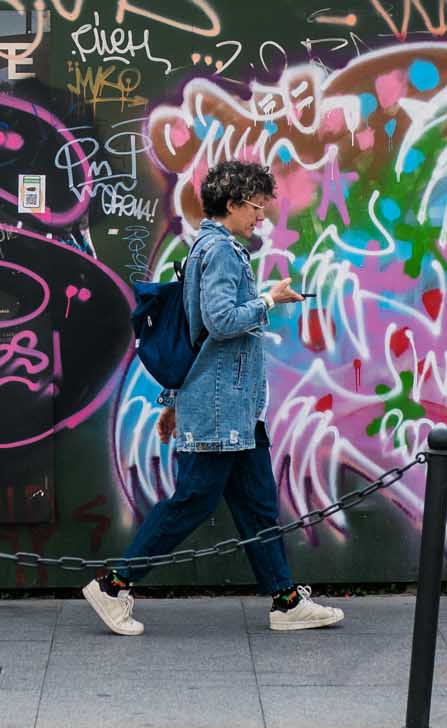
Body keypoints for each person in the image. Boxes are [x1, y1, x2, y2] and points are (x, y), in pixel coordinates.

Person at [83, 160, 344, 637]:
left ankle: (285, 602)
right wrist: (269, 301)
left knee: (259, 505)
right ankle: (113, 585)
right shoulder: (220, 251)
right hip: (223, 410)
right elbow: (221, 321)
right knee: (192, 501)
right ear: (232, 204)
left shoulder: (211, 248)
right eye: (256, 207)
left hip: (234, 409)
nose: (261, 217)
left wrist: (173, 401)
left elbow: (196, 331)